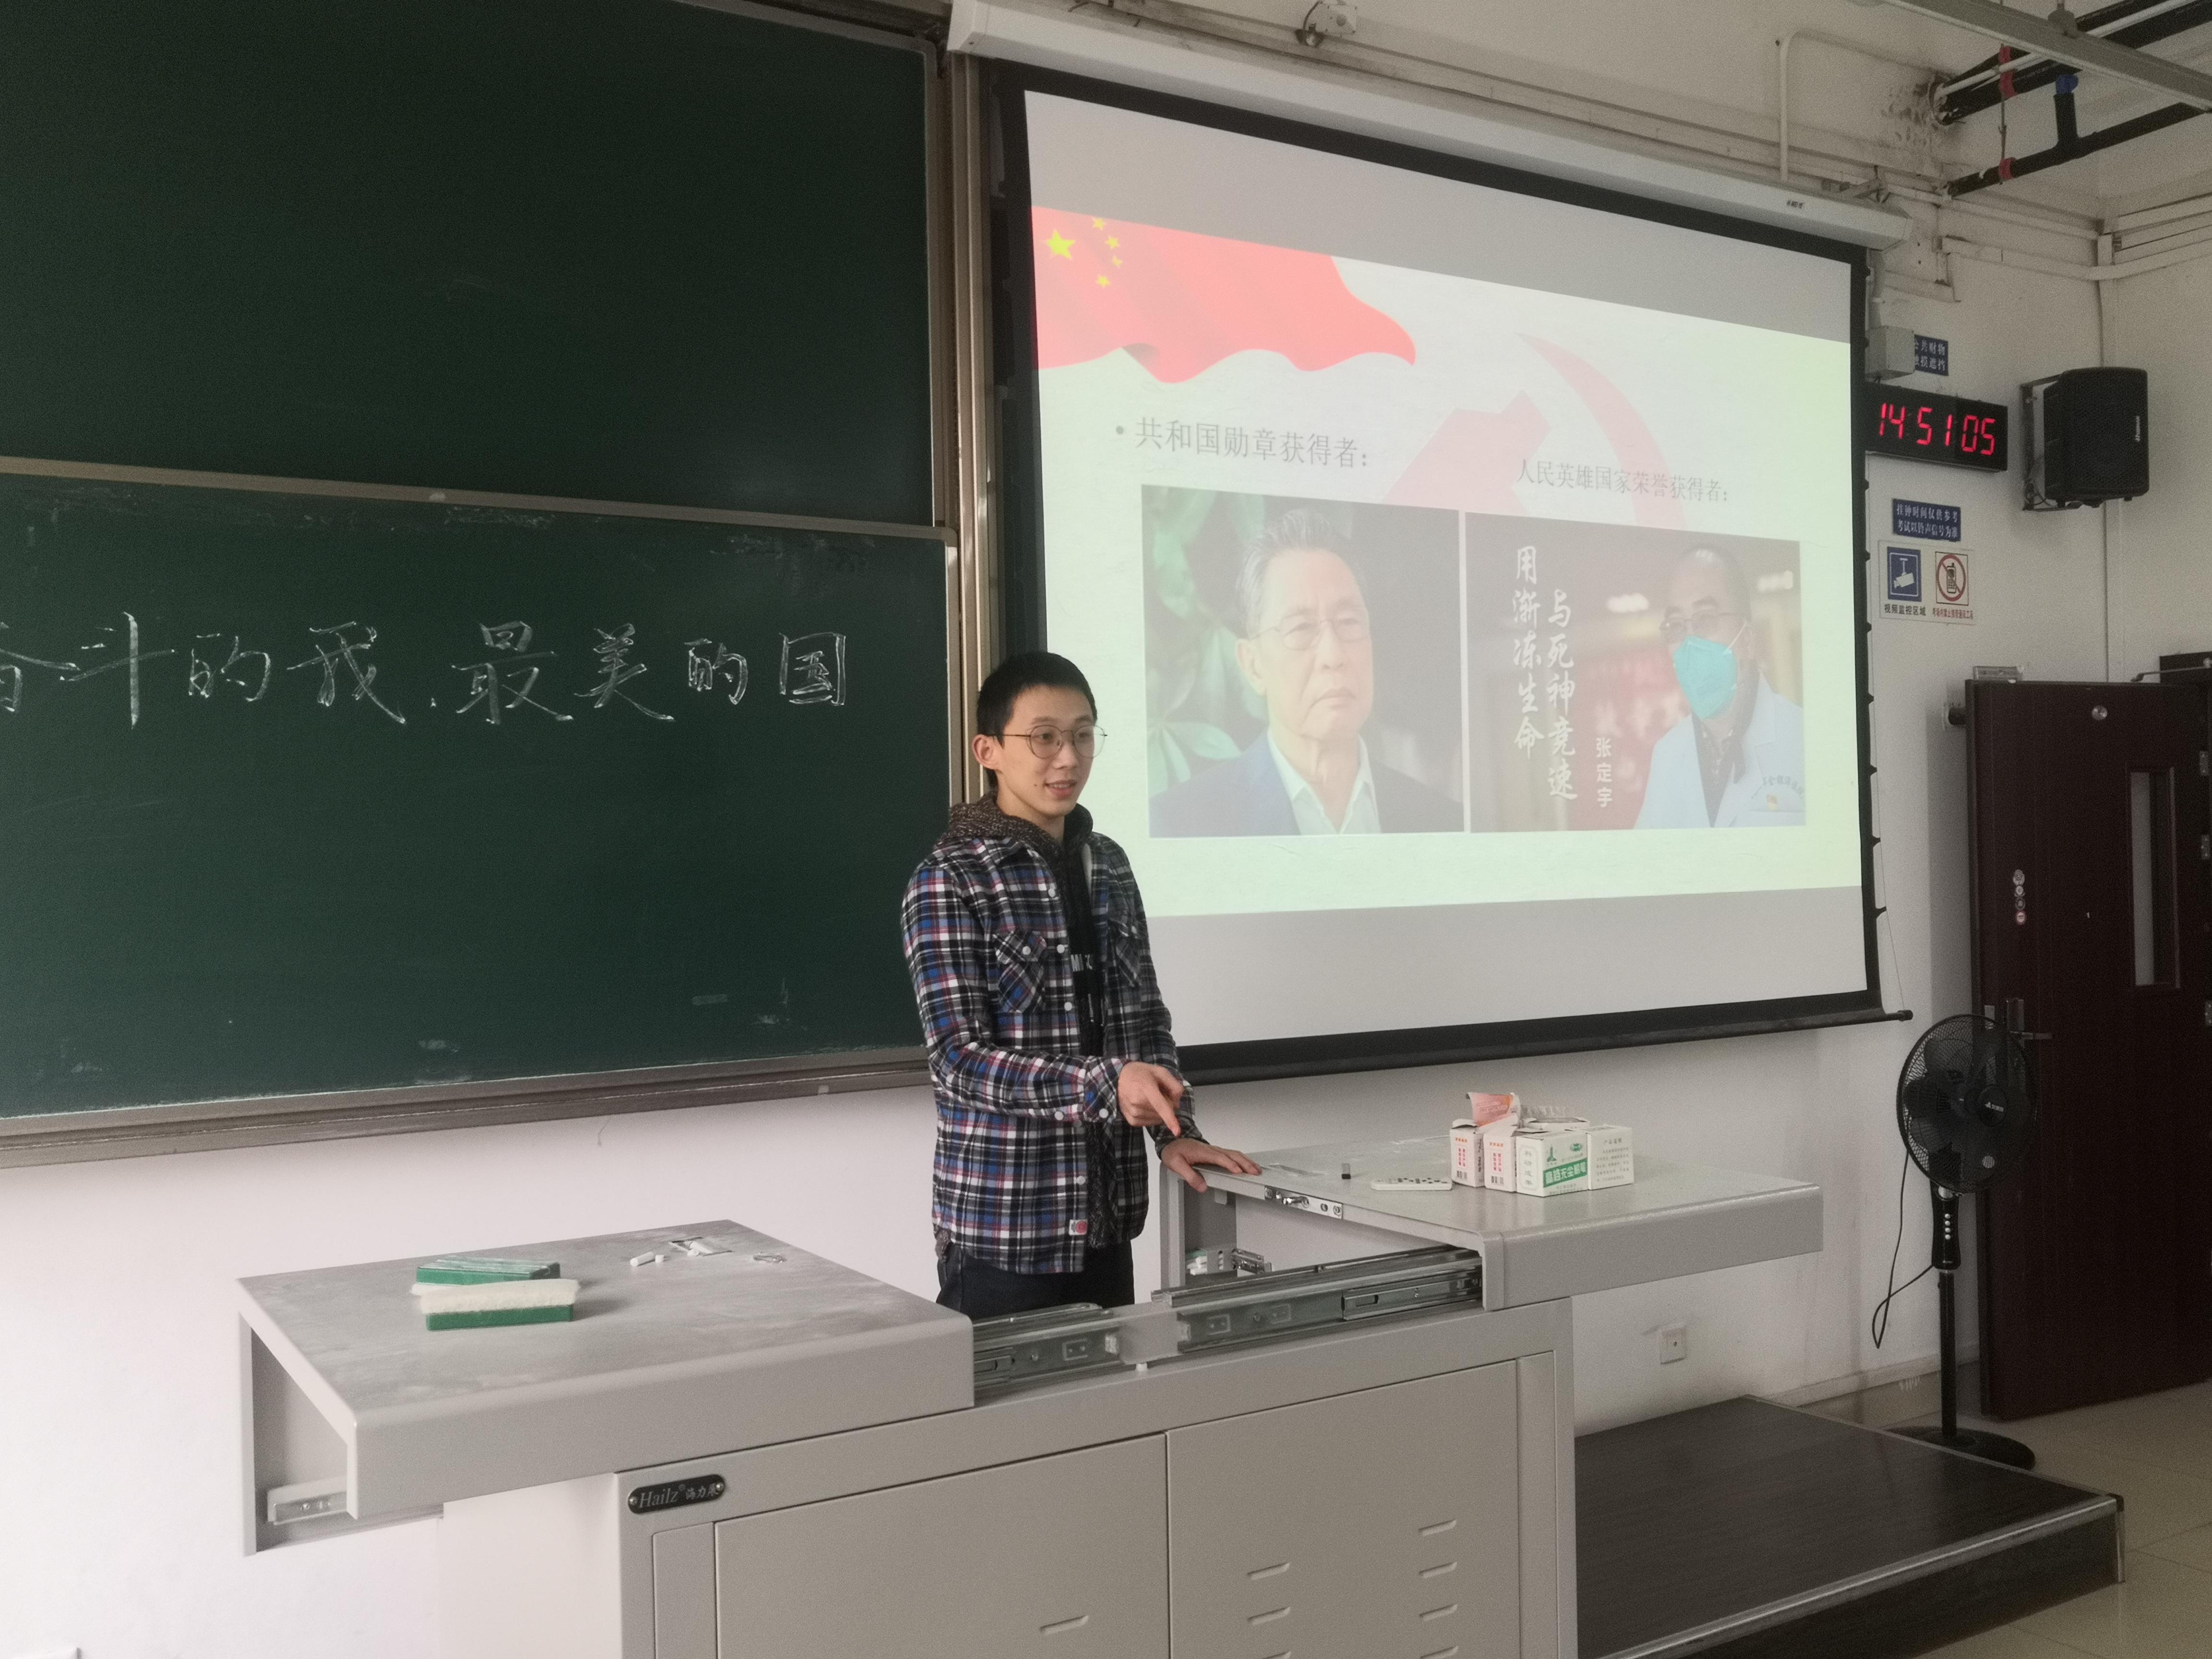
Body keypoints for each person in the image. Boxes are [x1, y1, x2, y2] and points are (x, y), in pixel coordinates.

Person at [902, 650, 1261, 1319]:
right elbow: (958, 1061)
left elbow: (1143, 1019)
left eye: (1083, 735)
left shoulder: (1110, 866)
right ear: (989, 750)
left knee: (1111, 1390)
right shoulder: (949, 879)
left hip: (1107, 1220)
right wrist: (1106, 1085)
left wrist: (1175, 1131)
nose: (1067, 758)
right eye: (1044, 737)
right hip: (1005, 1229)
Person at [1150, 509, 1460, 837]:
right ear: (1253, 665)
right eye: (1300, 628)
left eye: (1349, 622)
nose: (1333, 655)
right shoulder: (1178, 826)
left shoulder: (1444, 821)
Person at [1635, 545, 1806, 828]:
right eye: (1677, 626)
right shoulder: (1667, 755)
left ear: (1747, 640)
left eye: (1705, 619)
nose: (1690, 645)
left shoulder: (1803, 739)